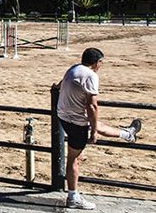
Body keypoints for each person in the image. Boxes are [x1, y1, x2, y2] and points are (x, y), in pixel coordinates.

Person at [56, 48, 142, 210]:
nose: (102, 65)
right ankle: (73, 197)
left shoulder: (73, 69)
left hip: (64, 116)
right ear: (96, 62)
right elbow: (92, 106)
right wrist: (93, 131)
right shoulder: (91, 76)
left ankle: (128, 134)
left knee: (97, 125)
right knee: (74, 159)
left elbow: (60, 84)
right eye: (101, 62)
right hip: (77, 123)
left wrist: (95, 126)